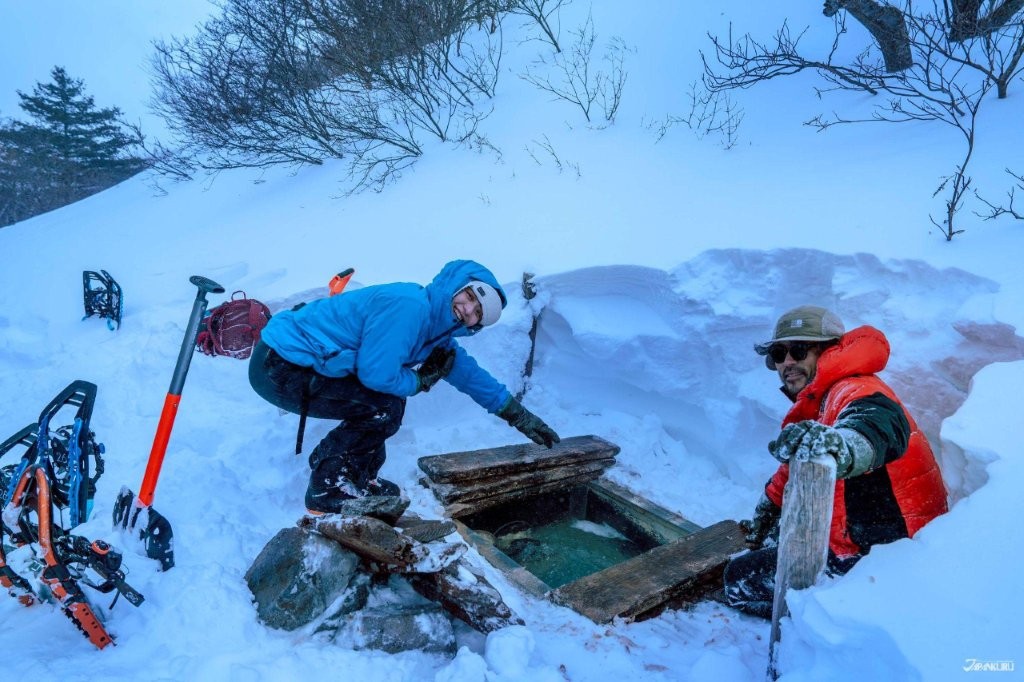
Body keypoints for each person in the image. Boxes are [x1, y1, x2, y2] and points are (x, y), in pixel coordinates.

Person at [248, 260, 560, 513]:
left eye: (478, 313)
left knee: (388, 404)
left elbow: (472, 378)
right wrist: (419, 381)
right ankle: (327, 486)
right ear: (457, 288)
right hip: (280, 364)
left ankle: (357, 475)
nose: (468, 309)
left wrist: (519, 417)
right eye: (469, 298)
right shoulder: (410, 307)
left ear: (475, 325)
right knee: (383, 406)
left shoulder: (436, 336)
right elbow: (376, 374)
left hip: (302, 363)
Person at [722, 305, 948, 618]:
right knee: (774, 538)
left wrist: (841, 446)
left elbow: (877, 427)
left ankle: (814, 622)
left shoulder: (857, 390)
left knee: (739, 579)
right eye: (778, 354)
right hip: (867, 543)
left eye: (799, 350)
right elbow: (791, 469)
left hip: (889, 558)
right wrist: (765, 513)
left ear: (829, 351)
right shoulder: (822, 400)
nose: (788, 362)